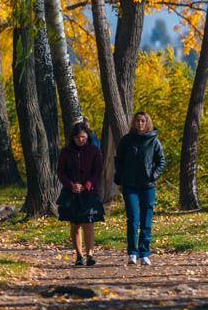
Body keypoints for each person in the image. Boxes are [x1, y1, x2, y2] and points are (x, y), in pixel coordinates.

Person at [114, 111, 166, 266]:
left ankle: (144, 253)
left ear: (147, 122)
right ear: (133, 123)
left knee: (146, 220)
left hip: (147, 186)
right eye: (137, 121)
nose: (140, 124)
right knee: (133, 219)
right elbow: (119, 160)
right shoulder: (126, 140)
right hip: (130, 186)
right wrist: (122, 176)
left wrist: (153, 175)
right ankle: (132, 252)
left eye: (143, 121)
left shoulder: (154, 141)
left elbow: (161, 160)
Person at [57, 122, 105, 266]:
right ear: (73, 137)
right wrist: (70, 184)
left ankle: (90, 254)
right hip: (71, 192)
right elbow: (61, 171)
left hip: (89, 192)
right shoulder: (66, 152)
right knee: (75, 224)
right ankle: (79, 255)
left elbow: (98, 171)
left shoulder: (94, 150)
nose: (81, 140)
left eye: (83, 137)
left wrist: (87, 185)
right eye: (78, 137)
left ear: (87, 136)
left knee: (89, 223)